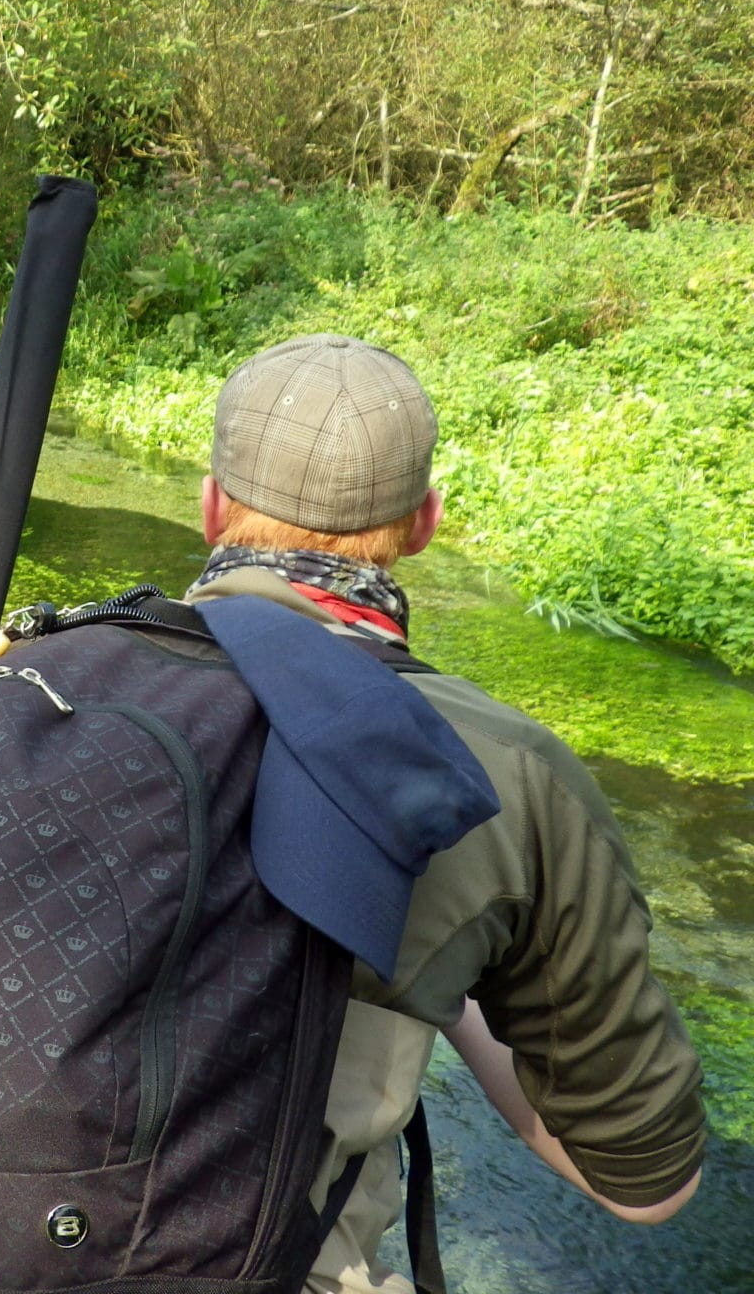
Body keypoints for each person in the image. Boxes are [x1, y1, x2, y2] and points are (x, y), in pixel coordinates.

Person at [182, 333, 706, 1292]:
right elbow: (643, 1182)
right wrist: (450, 973)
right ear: (422, 524)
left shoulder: (16, 676)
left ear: (212, 506)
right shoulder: (507, 772)